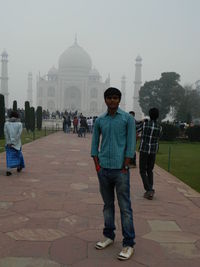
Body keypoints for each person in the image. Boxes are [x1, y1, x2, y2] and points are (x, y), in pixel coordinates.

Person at [91, 87, 136, 261]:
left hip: (120, 170)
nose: (112, 101)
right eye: (109, 98)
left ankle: (129, 243)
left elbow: (131, 145)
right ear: (105, 100)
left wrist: (125, 166)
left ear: (119, 100)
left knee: (125, 207)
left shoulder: (127, 119)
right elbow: (95, 144)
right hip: (104, 169)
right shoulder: (100, 120)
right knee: (107, 205)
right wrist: (97, 166)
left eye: (115, 98)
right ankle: (109, 235)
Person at [137, 108, 162, 200]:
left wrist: (141, 121)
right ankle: (150, 188)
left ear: (149, 115)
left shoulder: (145, 124)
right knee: (150, 170)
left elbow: (136, 128)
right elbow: (159, 137)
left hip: (144, 150)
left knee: (142, 170)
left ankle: (149, 189)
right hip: (153, 151)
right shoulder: (160, 127)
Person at [4, 110, 25, 176]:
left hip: (9, 144)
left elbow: (6, 134)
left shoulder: (6, 124)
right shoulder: (19, 124)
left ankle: (8, 170)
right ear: (17, 116)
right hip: (17, 143)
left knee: (9, 156)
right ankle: (19, 166)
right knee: (18, 155)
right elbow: (19, 134)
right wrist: (14, 142)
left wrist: (9, 142)